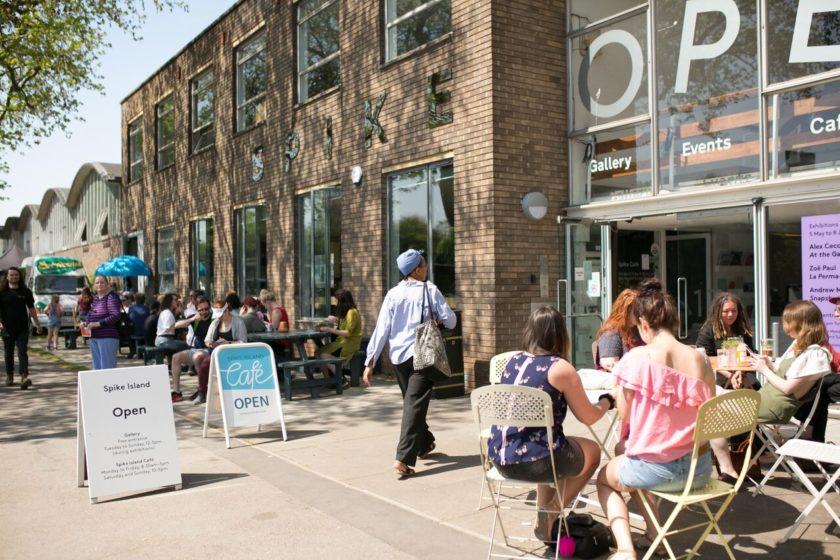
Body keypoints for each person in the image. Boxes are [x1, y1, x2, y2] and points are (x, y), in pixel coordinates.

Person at [596, 278, 715, 559]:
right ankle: (655, 535)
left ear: (645, 325)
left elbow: (625, 415)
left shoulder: (636, 359)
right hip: (699, 470)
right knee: (628, 457)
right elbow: (708, 408)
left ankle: (626, 549)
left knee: (605, 478)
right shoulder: (698, 358)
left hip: (657, 470)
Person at [489, 306, 612, 541]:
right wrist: (607, 402)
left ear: (530, 332)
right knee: (592, 452)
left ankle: (544, 526)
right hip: (537, 461)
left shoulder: (512, 361)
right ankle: (553, 509)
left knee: (546, 446)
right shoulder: (560, 369)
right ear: (560, 334)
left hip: (500, 458)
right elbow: (588, 417)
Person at [711, 300, 833, 480]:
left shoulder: (815, 354)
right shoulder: (800, 346)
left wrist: (764, 370)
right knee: (710, 394)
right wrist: (770, 364)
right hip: (762, 400)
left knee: (711, 407)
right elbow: (786, 375)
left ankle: (727, 468)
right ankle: (729, 465)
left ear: (801, 323)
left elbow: (788, 387)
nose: (785, 326)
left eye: (788, 321)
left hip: (772, 408)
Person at [364, 249, 457, 477]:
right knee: (413, 405)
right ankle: (403, 459)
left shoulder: (393, 294)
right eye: (424, 266)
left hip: (398, 358)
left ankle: (424, 445)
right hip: (422, 356)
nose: (426, 270)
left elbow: (382, 329)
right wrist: (437, 318)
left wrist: (370, 362)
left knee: (412, 404)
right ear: (417, 270)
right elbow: (451, 321)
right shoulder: (430, 290)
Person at [193, 294, 248, 404]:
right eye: (217, 315)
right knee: (204, 365)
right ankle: (202, 392)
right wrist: (212, 343)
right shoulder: (215, 322)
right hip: (217, 354)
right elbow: (207, 340)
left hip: (234, 355)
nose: (219, 317)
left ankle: (231, 394)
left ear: (227, 310)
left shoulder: (238, 322)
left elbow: (243, 342)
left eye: (221, 314)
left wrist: (228, 343)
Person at [696, 292, 755, 389]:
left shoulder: (741, 329)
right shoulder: (708, 331)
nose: (730, 314)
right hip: (717, 375)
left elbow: (750, 352)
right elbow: (705, 358)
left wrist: (740, 371)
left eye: (734, 311)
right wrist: (730, 376)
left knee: (757, 389)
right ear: (718, 312)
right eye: (726, 311)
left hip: (742, 372)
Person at [0, 266, 40, 389]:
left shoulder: (25, 291)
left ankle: (24, 377)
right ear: (7, 277)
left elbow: (32, 308)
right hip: (6, 327)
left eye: (16, 275)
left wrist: (37, 324)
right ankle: (10, 376)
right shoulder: (2, 292)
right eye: (11, 275)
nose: (14, 277)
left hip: (22, 327)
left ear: (19, 277)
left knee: (22, 352)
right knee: (8, 352)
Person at [169, 297, 214, 403]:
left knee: (197, 356)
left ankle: (202, 389)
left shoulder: (214, 319)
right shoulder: (195, 319)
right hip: (197, 349)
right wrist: (192, 319)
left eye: (206, 309)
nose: (204, 312)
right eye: (201, 310)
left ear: (210, 308)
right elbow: (175, 325)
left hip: (210, 350)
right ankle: (177, 392)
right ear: (197, 310)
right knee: (176, 357)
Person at [318, 288, 362, 383]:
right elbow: (345, 323)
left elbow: (347, 333)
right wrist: (335, 319)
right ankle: (329, 380)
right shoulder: (346, 312)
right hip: (341, 341)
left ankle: (340, 379)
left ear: (342, 301)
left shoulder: (352, 312)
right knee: (318, 352)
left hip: (348, 343)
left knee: (323, 355)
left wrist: (329, 329)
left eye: (337, 301)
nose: (336, 304)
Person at [594, 288, 643, 371]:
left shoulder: (638, 329)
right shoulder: (611, 333)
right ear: (625, 311)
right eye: (637, 310)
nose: (641, 313)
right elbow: (609, 364)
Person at [80, 275, 123, 370]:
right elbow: (90, 315)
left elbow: (116, 315)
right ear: (94, 285)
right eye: (97, 282)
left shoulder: (111, 297)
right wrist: (85, 323)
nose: (99, 284)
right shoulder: (96, 299)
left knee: (107, 369)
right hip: (94, 337)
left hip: (107, 337)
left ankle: (110, 385)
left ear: (107, 284)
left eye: (102, 282)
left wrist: (98, 323)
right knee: (97, 369)